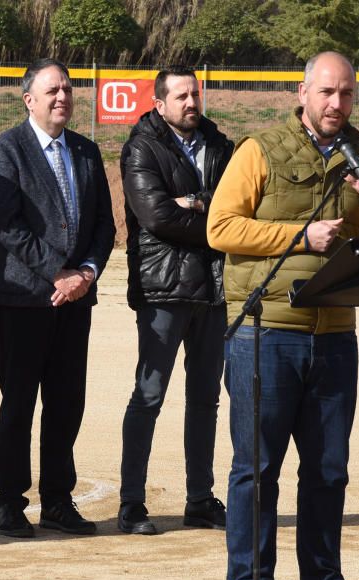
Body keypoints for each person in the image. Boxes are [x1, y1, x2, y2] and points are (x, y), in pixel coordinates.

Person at [207, 52, 359, 580]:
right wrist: (300, 236)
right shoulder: (259, 150)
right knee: (257, 467)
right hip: (266, 332)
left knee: (328, 468)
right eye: (326, 92)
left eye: (345, 94)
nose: (336, 104)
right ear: (302, 93)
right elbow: (220, 226)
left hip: (336, 335)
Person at [0, 59, 116, 538]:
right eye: (52, 90)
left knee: (66, 402)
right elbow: (8, 226)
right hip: (21, 298)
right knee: (18, 402)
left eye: (67, 89)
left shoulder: (85, 151)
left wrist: (84, 274)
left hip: (75, 298)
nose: (62, 97)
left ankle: (58, 500)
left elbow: (104, 225)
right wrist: (55, 272)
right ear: (29, 100)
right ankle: (10, 504)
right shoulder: (6, 150)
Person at [117, 67, 234, 536]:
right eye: (181, 96)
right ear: (159, 103)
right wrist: (212, 218)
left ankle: (200, 499)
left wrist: (197, 202)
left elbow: (237, 206)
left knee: (206, 400)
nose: (191, 102)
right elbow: (158, 216)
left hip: (213, 288)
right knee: (148, 396)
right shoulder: (142, 147)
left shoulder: (220, 145)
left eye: (195, 94)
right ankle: (131, 505)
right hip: (163, 288)